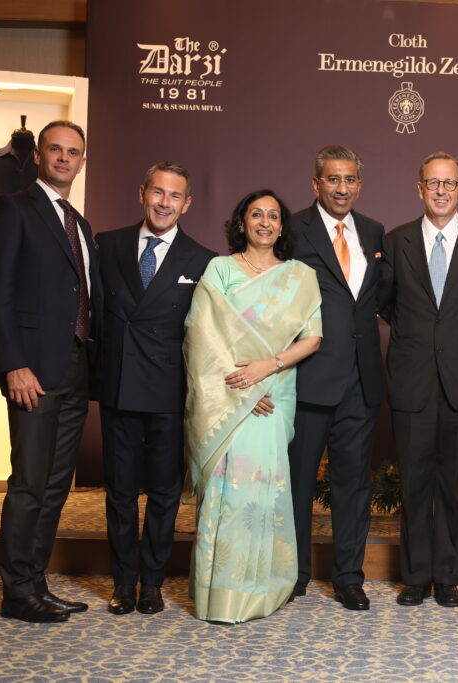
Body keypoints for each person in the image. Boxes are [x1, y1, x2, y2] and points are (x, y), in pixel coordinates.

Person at [0, 120, 101, 623]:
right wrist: (14, 364)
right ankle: (16, 593)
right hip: (32, 370)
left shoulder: (80, 224)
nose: (64, 158)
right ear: (38, 156)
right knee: (29, 483)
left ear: (82, 161)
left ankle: (35, 583)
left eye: (73, 151)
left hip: (75, 367)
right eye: (56, 149)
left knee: (54, 486)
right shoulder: (13, 209)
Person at [183, 190, 322, 623]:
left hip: (275, 392)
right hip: (230, 395)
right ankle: (220, 595)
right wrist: (244, 388)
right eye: (256, 214)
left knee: (264, 491)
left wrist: (269, 367)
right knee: (227, 492)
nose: (265, 222)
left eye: (273, 216)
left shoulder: (300, 277)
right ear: (242, 222)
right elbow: (202, 336)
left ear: (282, 227)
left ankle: (261, 588)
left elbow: (313, 338)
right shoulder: (220, 270)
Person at [379, 151, 458, 607]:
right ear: (420, 188)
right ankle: (416, 576)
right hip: (411, 380)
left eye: (449, 183)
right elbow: (383, 304)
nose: (440, 191)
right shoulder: (396, 241)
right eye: (432, 182)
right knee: (414, 482)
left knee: (453, 483)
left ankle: (448, 576)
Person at [95, 162, 216, 615]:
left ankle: (152, 584)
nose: (164, 203)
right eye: (158, 192)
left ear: (188, 204)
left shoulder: (202, 259)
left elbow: (209, 333)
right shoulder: (107, 244)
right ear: (142, 193)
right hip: (120, 385)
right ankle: (123, 584)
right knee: (120, 493)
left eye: (175, 196)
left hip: (169, 391)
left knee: (165, 495)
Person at [288, 145, 384, 610]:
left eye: (349, 179)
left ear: (359, 185)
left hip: (361, 380)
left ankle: (349, 578)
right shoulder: (292, 230)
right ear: (316, 183)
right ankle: (294, 574)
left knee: (353, 485)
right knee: (298, 483)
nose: (341, 188)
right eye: (332, 179)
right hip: (308, 377)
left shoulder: (374, 231)